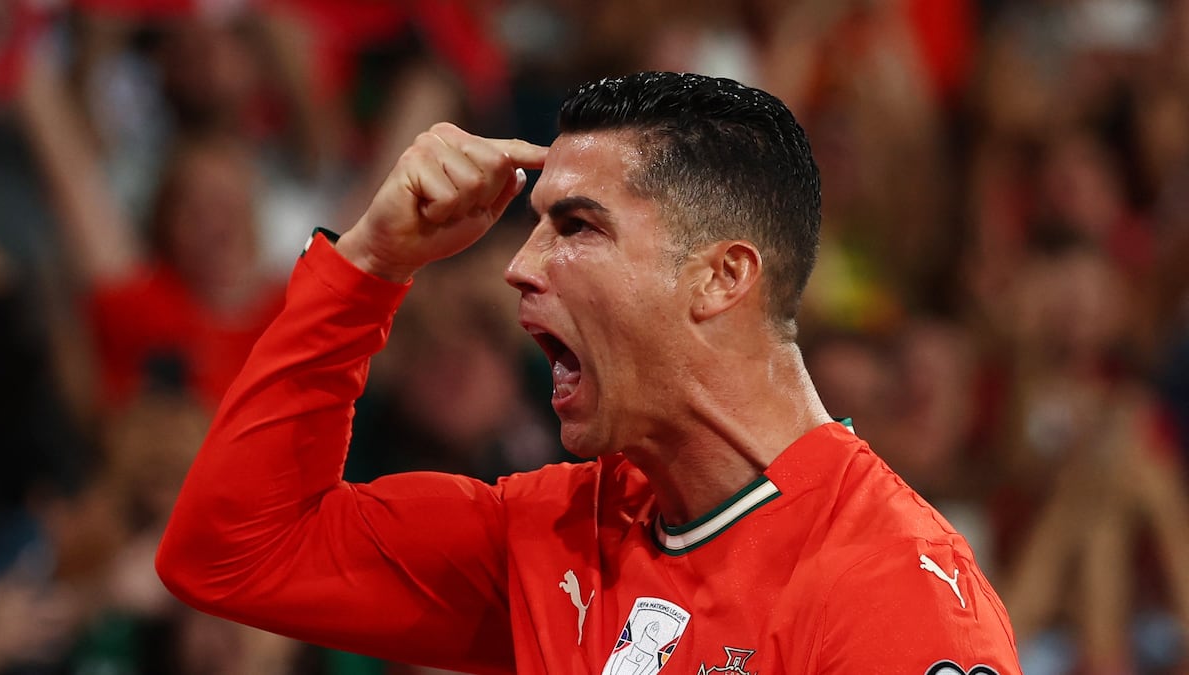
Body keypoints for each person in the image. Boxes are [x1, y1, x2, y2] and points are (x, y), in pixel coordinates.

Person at [156, 72, 1021, 674]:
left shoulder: (890, 589)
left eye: (576, 227)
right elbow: (233, 552)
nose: (518, 266)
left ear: (722, 277)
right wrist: (371, 263)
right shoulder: (553, 535)